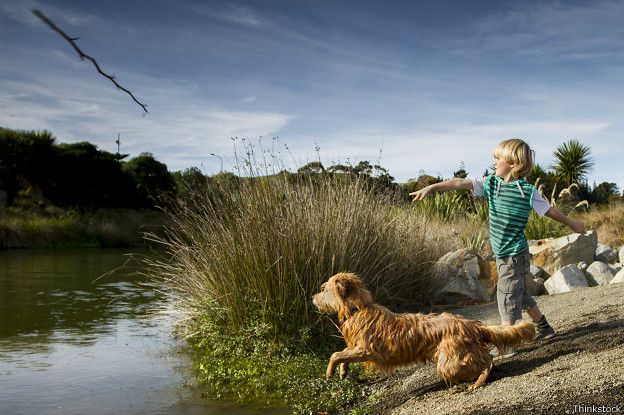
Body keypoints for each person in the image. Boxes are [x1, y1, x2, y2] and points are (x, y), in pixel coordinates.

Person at [410, 138, 585, 358]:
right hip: (503, 254)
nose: (493, 162)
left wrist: (573, 224)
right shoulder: (490, 184)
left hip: (515, 255)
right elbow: (459, 182)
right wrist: (433, 187)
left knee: (506, 295)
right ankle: (544, 327)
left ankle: (506, 342)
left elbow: (550, 211)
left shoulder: (527, 191)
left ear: (513, 162)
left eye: (498, 158)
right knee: (517, 293)